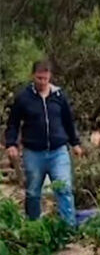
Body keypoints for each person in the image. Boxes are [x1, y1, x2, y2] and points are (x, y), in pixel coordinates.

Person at [4, 60, 82, 227]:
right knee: (33, 192)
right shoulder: (23, 98)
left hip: (58, 151)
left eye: (45, 78)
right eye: (39, 78)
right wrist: (11, 144)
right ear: (33, 76)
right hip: (34, 152)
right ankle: (34, 227)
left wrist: (75, 143)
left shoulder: (59, 96)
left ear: (50, 77)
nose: (42, 82)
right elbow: (13, 123)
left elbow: (68, 121)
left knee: (64, 189)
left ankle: (68, 228)